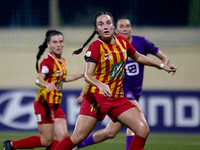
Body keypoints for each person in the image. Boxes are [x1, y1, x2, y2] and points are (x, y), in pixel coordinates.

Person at [53, 12, 176, 150]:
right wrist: (100, 85)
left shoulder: (122, 41)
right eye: (101, 24)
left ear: (112, 26)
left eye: (108, 23)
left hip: (117, 98)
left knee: (143, 129)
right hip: (96, 98)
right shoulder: (95, 47)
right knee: (77, 138)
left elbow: (138, 57)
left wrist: (161, 65)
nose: (105, 27)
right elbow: (87, 75)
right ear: (96, 29)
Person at [3, 30, 84, 150]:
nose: (58, 44)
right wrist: (46, 84)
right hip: (44, 104)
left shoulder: (62, 61)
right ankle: (11, 145)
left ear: (63, 43)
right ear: (48, 45)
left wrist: (81, 75)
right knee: (47, 141)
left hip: (55, 105)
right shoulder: (47, 61)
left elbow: (62, 78)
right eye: (55, 42)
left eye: (60, 41)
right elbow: (38, 79)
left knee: (64, 138)